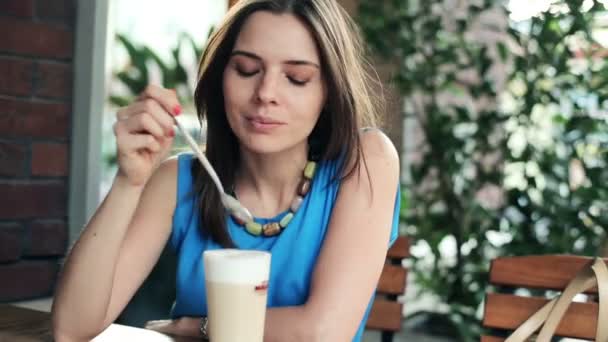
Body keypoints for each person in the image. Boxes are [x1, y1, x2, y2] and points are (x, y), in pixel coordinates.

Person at [51, 0, 401, 341]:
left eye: (296, 78)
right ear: (221, 78)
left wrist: (196, 327)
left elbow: (323, 332)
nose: (265, 93)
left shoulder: (366, 162)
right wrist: (129, 182)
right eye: (247, 70)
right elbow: (72, 329)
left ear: (329, 91)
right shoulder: (178, 181)